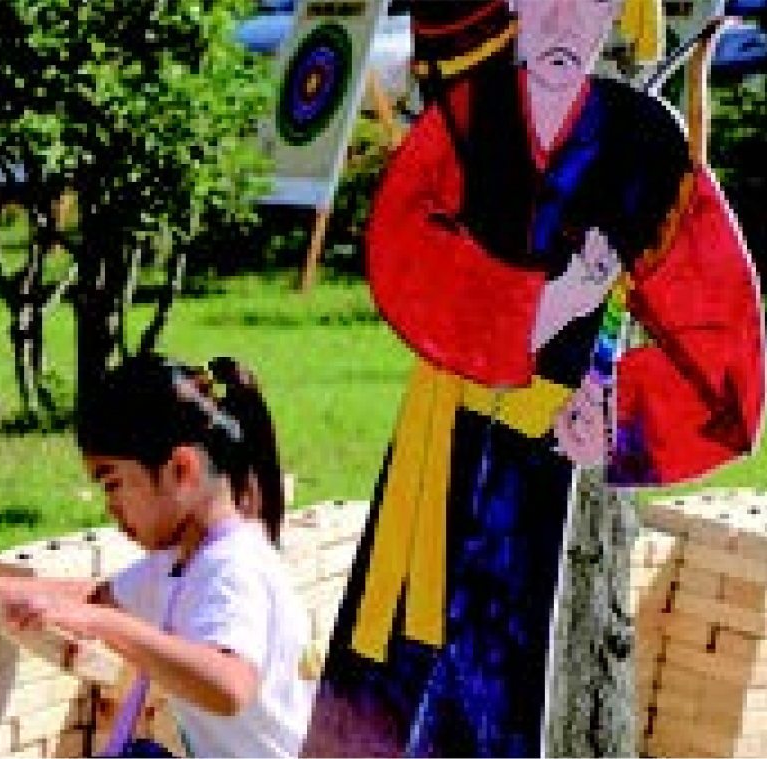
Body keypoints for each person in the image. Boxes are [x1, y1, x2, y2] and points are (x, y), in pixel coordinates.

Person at [302, 0, 765, 756]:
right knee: (380, 691)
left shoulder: (643, 144)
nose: (561, 20)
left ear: (617, 12)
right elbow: (403, 255)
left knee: (497, 688)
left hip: (534, 468)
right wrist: (554, 302)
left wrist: (615, 416)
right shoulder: (462, 120)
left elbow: (726, 360)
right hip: (428, 456)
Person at [0, 354, 313, 758]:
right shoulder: (185, 563)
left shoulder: (232, 567)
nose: (111, 507)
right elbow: (99, 596)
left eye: (113, 484)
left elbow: (229, 686)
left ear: (181, 469)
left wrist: (100, 623)